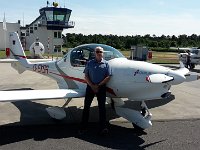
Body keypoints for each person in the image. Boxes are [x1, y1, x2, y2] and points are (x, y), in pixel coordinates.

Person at [79, 46, 112, 135]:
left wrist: (98, 85)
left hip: (101, 88)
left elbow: (108, 76)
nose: (99, 53)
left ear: (103, 53)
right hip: (90, 87)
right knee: (86, 107)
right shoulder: (90, 63)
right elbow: (86, 76)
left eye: (100, 51)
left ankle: (103, 127)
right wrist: (92, 85)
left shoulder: (106, 64)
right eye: (97, 51)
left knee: (102, 108)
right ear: (94, 53)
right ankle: (83, 127)